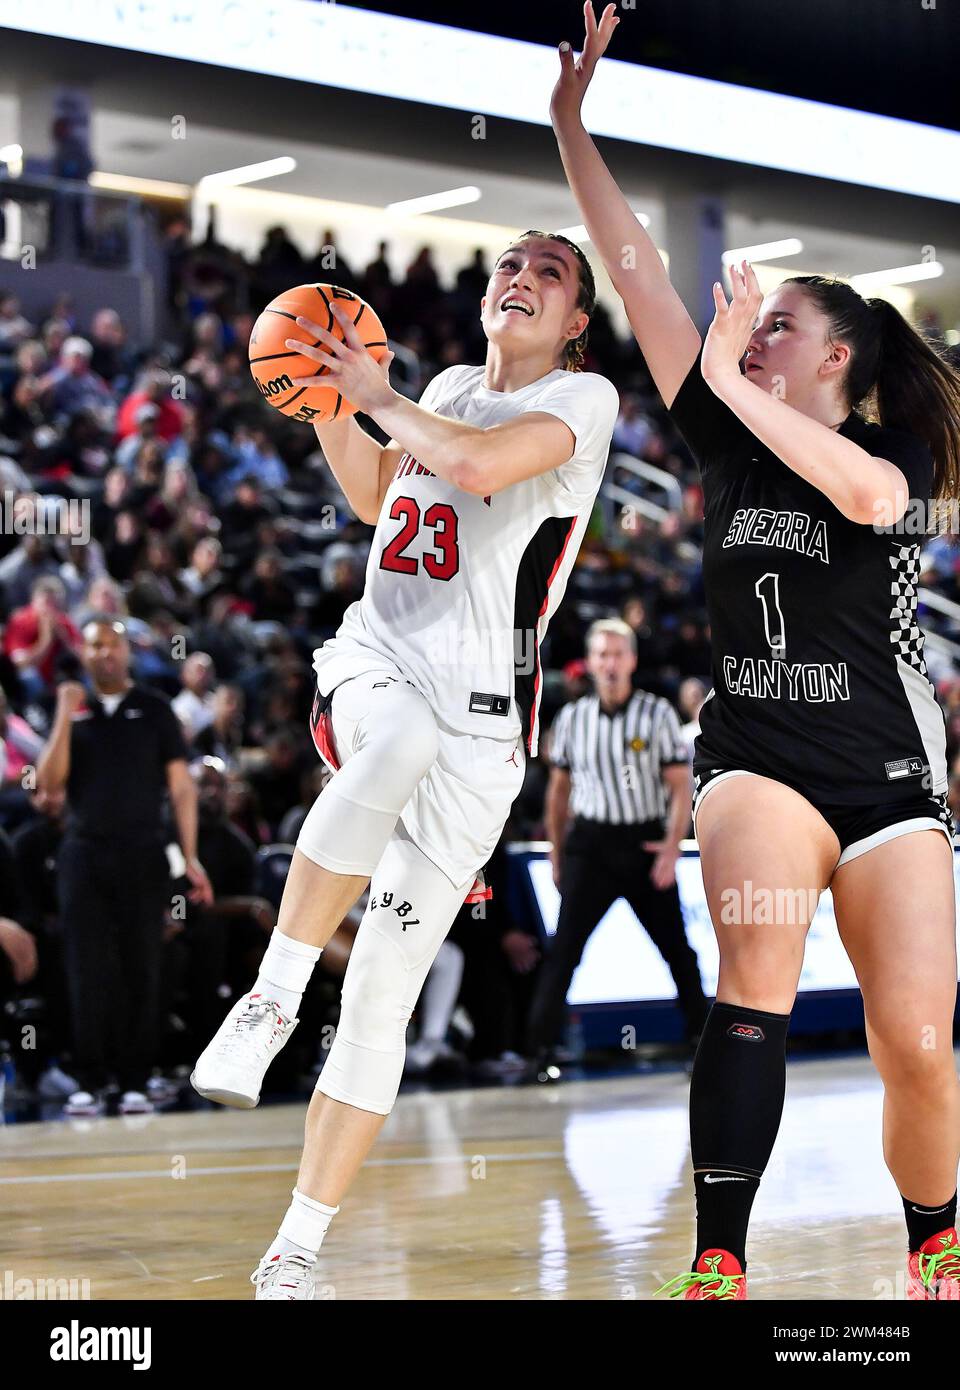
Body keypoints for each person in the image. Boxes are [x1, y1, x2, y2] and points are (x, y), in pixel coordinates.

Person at [552, 3, 960, 1300]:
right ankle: (719, 1259)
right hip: (757, 761)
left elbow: (867, 505)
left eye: (776, 323)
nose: (749, 332)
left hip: (888, 772)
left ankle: (934, 1240)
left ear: (835, 359)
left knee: (919, 1042)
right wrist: (572, 120)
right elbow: (633, 272)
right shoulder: (725, 431)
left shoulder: (895, 452)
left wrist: (730, 385)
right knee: (752, 985)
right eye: (752, 321)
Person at [191, 228, 619, 1298]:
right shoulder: (439, 384)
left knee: (383, 997)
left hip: (487, 728)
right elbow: (382, 496)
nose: (521, 278)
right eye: (509, 264)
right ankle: (271, 999)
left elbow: (472, 465)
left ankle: (295, 1248)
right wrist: (326, 395)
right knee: (396, 742)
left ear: (575, 322)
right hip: (380, 658)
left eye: (550, 272)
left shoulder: (584, 401)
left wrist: (372, 390)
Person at [35, 618, 212, 1116]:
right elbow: (48, 786)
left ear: (126, 652)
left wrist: (190, 855)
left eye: (112, 645)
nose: (104, 654)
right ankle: (89, 1079)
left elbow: (181, 788)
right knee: (85, 967)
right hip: (83, 852)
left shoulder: (154, 709)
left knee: (141, 964)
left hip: (143, 851)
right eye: (94, 646)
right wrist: (64, 715)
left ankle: (137, 1076)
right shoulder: (73, 709)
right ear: (84, 654)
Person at [526, 618, 708, 1066]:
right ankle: (538, 1051)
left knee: (678, 951)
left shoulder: (657, 713)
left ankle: (703, 1045)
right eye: (601, 655)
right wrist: (556, 849)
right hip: (590, 843)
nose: (609, 663)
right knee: (564, 950)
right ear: (589, 662)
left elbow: (680, 785)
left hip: (643, 842)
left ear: (632, 659)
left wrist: (670, 847)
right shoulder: (572, 718)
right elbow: (559, 791)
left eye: (617, 654)